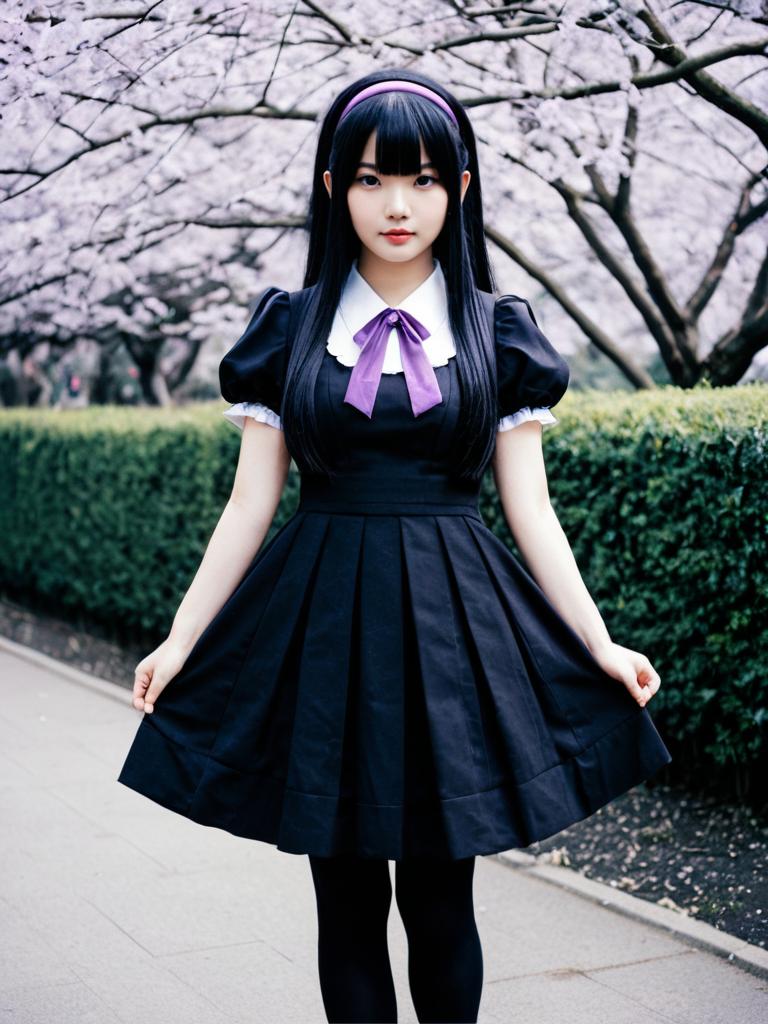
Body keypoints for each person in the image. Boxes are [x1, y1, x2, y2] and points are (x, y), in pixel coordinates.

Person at [117, 69, 672, 1024]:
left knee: (441, 897)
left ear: (460, 187)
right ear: (335, 188)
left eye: (422, 179)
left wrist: (598, 641)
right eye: (372, 180)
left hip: (452, 630)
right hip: (324, 621)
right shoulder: (289, 330)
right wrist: (181, 638)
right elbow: (249, 503)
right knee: (344, 902)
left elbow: (532, 510)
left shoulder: (497, 333)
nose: (398, 206)